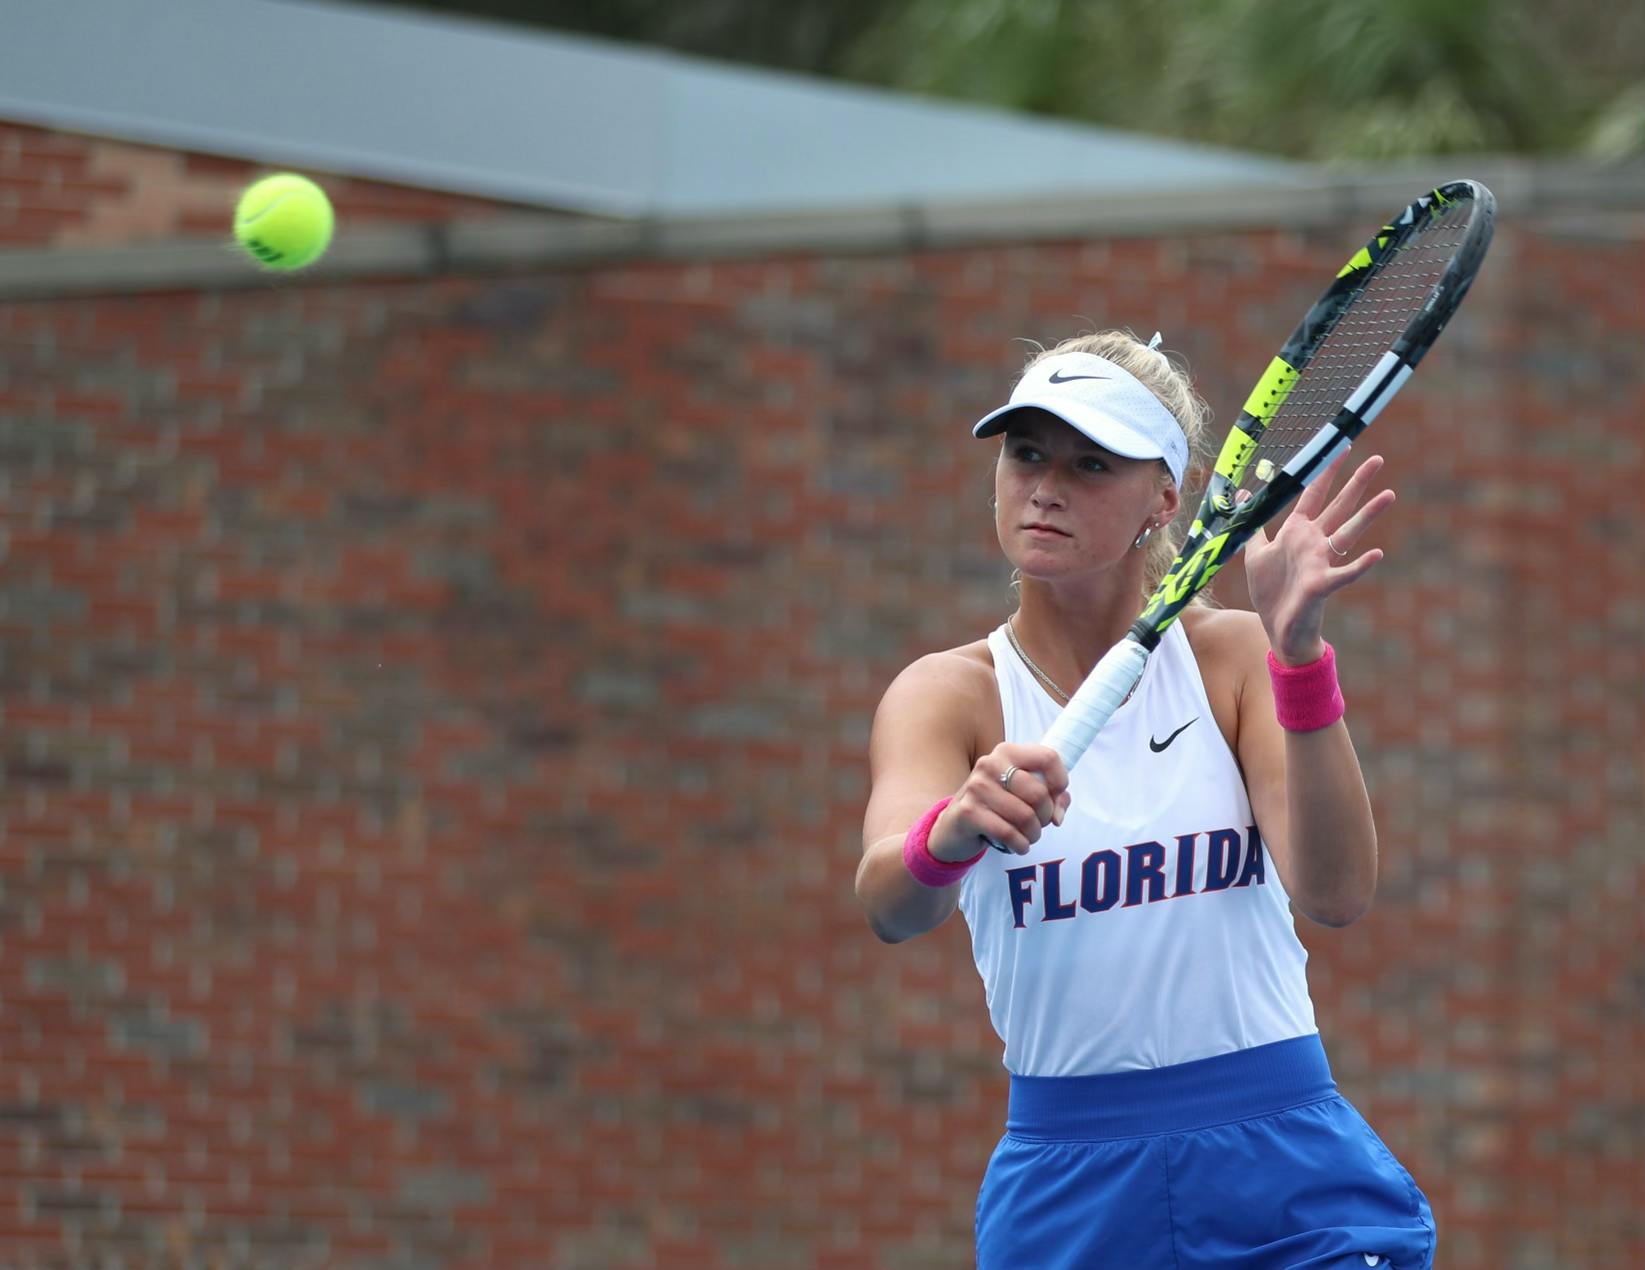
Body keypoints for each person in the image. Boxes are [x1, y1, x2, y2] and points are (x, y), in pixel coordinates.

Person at [856, 330, 1436, 1269]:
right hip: (1068, 1179)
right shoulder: (945, 693)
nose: (1045, 486)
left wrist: (1299, 661)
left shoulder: (1235, 657)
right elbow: (888, 902)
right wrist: (950, 832)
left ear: (1166, 496)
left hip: (1277, 1157)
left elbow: (1335, 894)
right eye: (1027, 453)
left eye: (1092, 463)